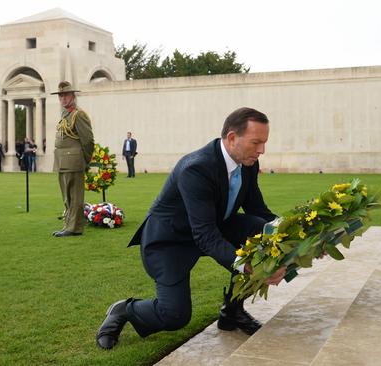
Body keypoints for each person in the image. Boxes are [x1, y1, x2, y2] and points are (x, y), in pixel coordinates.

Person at [95, 107, 287, 350]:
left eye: (264, 143)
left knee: (258, 228)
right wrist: (249, 268)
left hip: (210, 228)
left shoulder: (247, 163)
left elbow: (258, 210)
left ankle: (232, 311)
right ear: (231, 138)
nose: (261, 151)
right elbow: (205, 235)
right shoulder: (196, 168)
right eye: (256, 143)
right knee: (175, 315)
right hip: (170, 241)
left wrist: (300, 232)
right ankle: (123, 309)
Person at [51, 81, 95, 237]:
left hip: (74, 161)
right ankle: (68, 225)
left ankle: (74, 228)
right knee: (67, 196)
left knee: (75, 196)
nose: (63, 98)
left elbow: (88, 140)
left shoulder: (78, 114)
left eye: (66, 95)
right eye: (60, 96)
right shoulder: (66, 114)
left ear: (73, 96)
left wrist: (84, 159)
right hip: (63, 161)